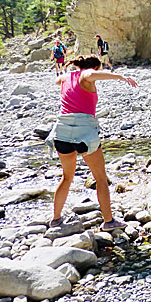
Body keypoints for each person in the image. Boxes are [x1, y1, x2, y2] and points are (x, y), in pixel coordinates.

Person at [47, 55, 137, 231]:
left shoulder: (67, 77)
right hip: (84, 131)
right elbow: (91, 75)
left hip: (62, 131)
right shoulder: (87, 74)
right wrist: (121, 77)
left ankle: (56, 219)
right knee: (101, 178)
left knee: (67, 177)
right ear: (95, 67)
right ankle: (108, 221)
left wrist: (69, 76)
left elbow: (57, 80)